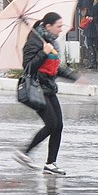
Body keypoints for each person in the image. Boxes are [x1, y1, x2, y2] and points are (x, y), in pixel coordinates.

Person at [13, 12, 85, 175]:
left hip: (49, 87)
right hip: (37, 88)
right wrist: (43, 52)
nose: (61, 29)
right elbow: (28, 67)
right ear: (48, 26)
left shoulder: (50, 41)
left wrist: (75, 77)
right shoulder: (34, 42)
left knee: (58, 125)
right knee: (51, 123)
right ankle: (25, 153)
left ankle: (51, 163)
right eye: (58, 26)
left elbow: (55, 68)